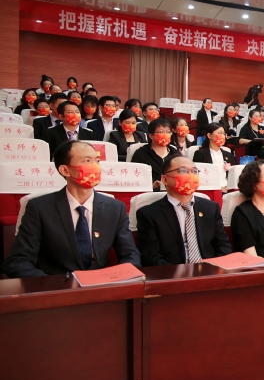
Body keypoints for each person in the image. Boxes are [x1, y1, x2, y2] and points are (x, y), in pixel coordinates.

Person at [3, 141, 140, 278]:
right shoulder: (40, 208)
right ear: (65, 170)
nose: (95, 167)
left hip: (101, 284)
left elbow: (130, 254)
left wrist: (121, 278)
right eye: (87, 161)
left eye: (97, 161)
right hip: (58, 285)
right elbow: (18, 260)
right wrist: (51, 284)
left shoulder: (115, 207)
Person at [137, 155, 231, 266]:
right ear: (165, 180)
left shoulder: (211, 208)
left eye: (194, 171)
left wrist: (215, 268)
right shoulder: (149, 214)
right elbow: (152, 258)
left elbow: (224, 246)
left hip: (210, 270)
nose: (191, 176)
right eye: (183, 171)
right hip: (173, 273)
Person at [132, 118, 181, 190]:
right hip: (149, 192)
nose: (165, 135)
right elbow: (134, 177)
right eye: (161, 132)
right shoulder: (140, 153)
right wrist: (150, 185)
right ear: (151, 136)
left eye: (168, 132)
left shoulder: (175, 154)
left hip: (172, 191)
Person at [193, 123, 234, 191]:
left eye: (224, 134)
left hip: (227, 189)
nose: (223, 136)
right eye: (219, 133)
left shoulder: (229, 155)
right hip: (211, 189)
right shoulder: (200, 154)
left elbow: (232, 175)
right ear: (209, 135)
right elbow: (198, 176)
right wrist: (218, 189)